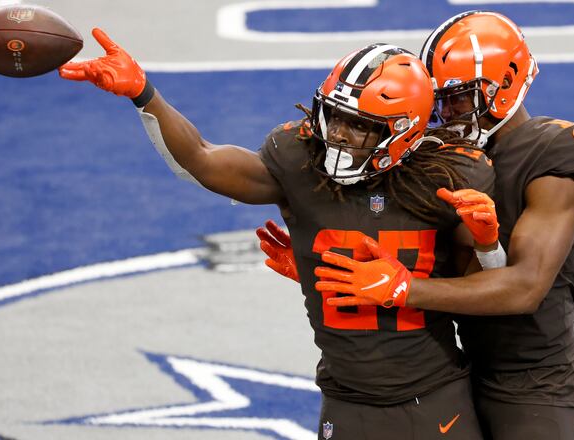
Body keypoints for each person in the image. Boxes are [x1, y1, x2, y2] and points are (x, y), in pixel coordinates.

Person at [59, 30, 497, 439]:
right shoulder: (299, 159)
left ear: (404, 131)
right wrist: (144, 94)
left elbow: (495, 291)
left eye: (360, 125)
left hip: (434, 395)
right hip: (346, 396)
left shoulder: (452, 174)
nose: (339, 135)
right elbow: (203, 159)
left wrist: (486, 244)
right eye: (335, 116)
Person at [259, 11, 574, 440]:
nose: (444, 114)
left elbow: (524, 288)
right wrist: (326, 266)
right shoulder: (436, 154)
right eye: (438, 101)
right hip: (451, 363)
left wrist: (404, 288)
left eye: (457, 99)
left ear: (505, 83)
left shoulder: (556, 151)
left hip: (530, 372)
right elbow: (400, 232)